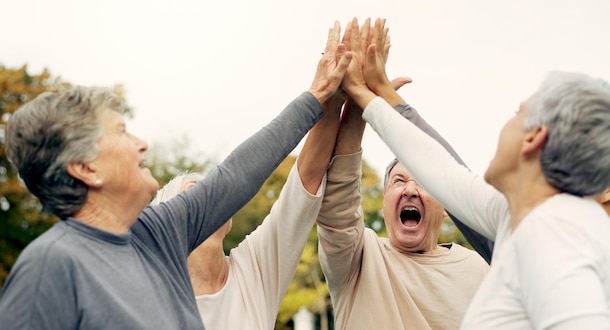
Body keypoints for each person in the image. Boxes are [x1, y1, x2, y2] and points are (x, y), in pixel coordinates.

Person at [0, 21, 352, 330]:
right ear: (86, 168)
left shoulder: (158, 233)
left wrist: (317, 96)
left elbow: (235, 175)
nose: (141, 144)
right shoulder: (48, 269)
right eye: (121, 132)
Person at [346, 17, 610, 329]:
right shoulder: (525, 217)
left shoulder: (557, 238)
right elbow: (440, 169)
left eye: (517, 114)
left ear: (533, 138)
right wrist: (370, 94)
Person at [316, 18, 489, 330]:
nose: (410, 189)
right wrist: (358, 105)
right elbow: (337, 203)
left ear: (448, 207)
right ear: (384, 204)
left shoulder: (480, 269)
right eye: (399, 181)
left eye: (422, 181)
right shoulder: (358, 258)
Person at [148, 71, 346, 329]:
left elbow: (304, 183)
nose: (203, 207)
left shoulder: (253, 271)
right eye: (189, 202)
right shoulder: (149, 293)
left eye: (209, 199)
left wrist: (334, 98)